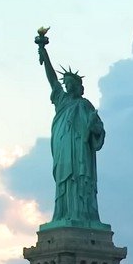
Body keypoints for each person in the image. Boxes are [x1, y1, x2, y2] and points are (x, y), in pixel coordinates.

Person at [37, 30, 106, 224]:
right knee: (65, 181)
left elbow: (98, 130)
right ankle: (64, 215)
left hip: (81, 150)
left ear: (79, 86)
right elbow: (51, 79)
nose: (68, 87)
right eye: (66, 84)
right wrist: (43, 51)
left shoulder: (85, 105)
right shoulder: (62, 100)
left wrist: (94, 128)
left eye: (71, 84)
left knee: (81, 180)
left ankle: (84, 216)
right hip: (64, 148)